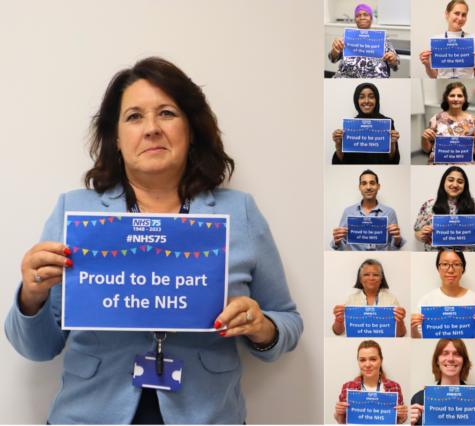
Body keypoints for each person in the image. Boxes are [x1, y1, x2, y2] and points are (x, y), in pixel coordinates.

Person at [3, 57, 303, 424]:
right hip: (88, 414)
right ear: (116, 138)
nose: (151, 129)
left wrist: (261, 327)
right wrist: (31, 296)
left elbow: (287, 320)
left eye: (167, 113)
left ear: (191, 130)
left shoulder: (239, 212)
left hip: (208, 415)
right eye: (134, 117)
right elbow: (38, 349)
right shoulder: (75, 212)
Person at [409, 339, 475, 425]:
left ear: (463, 361)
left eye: (457, 354)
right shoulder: (418, 399)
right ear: (437, 360)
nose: (451, 359)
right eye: (445, 353)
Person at [411, 250, 475, 339]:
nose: (450, 270)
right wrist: (413, 330)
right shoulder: (426, 300)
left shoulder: (474, 298)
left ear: (463, 268)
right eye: (445, 264)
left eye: (456, 264)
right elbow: (419, 338)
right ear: (438, 268)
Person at [413, 167, 475, 252]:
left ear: (465, 185)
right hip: (437, 254)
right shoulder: (428, 205)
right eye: (451, 180)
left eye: (460, 182)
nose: (455, 185)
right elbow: (417, 232)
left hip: (469, 253)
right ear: (443, 182)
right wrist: (422, 235)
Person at [334, 340, 408, 424]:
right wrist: (339, 412)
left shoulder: (394, 387)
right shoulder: (347, 387)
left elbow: (399, 420)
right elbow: (341, 422)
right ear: (358, 362)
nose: (367, 365)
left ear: (381, 361)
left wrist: (402, 415)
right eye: (362, 360)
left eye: (373, 359)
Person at [331, 169, 405, 251]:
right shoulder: (348, 212)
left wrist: (397, 237)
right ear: (360, 187)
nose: (368, 187)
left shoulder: (390, 212)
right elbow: (340, 244)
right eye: (364, 183)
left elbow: (396, 245)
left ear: (378, 186)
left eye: (372, 183)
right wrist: (337, 242)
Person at [331, 259, 407, 337]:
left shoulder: (392, 300)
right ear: (360, 279)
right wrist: (339, 319)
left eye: (376, 274)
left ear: (381, 279)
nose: (371, 278)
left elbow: (400, 335)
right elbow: (339, 332)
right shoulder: (350, 299)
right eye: (366, 274)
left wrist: (400, 321)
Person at [332, 83, 401, 164]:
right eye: (362, 97)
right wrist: (338, 144)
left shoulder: (386, 123)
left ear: (376, 99)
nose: (367, 101)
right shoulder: (351, 125)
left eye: (371, 97)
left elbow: (393, 161)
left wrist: (392, 143)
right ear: (356, 100)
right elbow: (342, 162)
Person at [420, 82, 475, 165]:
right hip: (439, 162)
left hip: (464, 162)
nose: (456, 99)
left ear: (464, 98)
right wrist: (424, 139)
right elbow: (427, 149)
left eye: (459, 96)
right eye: (452, 95)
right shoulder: (436, 119)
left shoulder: (472, 120)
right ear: (446, 97)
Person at [418, 0, 475, 79]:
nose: (460, 18)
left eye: (464, 15)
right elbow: (434, 76)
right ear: (447, 14)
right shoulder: (436, 41)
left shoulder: (474, 39)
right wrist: (427, 64)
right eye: (456, 13)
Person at [328, 4, 400, 78]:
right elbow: (332, 59)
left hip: (374, 77)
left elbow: (395, 64)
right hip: (345, 76)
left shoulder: (382, 37)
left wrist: (394, 59)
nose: (362, 18)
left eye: (366, 15)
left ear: (371, 18)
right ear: (355, 19)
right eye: (358, 15)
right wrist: (335, 49)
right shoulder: (348, 36)